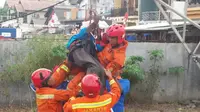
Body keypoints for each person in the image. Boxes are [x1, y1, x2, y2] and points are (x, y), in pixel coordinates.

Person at [66, 16, 107, 94]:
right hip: (77, 51)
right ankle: (87, 89)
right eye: (100, 30)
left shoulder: (92, 39)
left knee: (100, 69)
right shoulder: (83, 34)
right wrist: (94, 24)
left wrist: (105, 44)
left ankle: (99, 92)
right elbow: (85, 32)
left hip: (82, 55)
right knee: (93, 66)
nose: (99, 32)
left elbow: (97, 48)